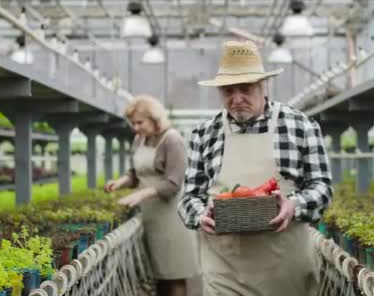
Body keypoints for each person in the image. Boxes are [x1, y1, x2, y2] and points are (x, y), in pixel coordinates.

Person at [178, 40, 333, 296]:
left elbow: (322, 187)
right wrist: (199, 215)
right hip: (223, 268)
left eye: (245, 88)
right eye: (228, 91)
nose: (237, 99)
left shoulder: (299, 126)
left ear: (263, 86)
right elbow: (188, 197)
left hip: (284, 270)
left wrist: (293, 204)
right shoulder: (203, 134)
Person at [105, 95, 200, 296]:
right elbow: (136, 174)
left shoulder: (172, 140)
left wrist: (140, 195)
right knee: (158, 273)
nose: (135, 127)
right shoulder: (139, 140)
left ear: (154, 118)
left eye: (140, 122)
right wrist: (120, 182)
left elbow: (173, 183)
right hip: (151, 216)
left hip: (171, 217)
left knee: (174, 274)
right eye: (133, 123)